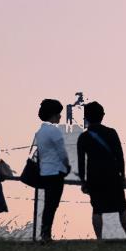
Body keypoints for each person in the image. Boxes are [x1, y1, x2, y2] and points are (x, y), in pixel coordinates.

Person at [76, 102, 126, 241]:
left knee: (97, 210)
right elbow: (120, 156)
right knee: (122, 208)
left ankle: (99, 239)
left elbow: (81, 162)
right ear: (102, 116)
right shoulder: (111, 132)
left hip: (94, 176)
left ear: (86, 117)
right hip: (112, 175)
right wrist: (122, 175)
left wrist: (83, 181)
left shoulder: (84, 137)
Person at [32, 99, 70, 243]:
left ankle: (45, 233)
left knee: (48, 204)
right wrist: (67, 166)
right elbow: (62, 153)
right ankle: (46, 235)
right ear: (53, 114)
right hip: (56, 172)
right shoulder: (54, 131)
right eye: (58, 113)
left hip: (44, 171)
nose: (60, 116)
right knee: (52, 205)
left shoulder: (40, 132)